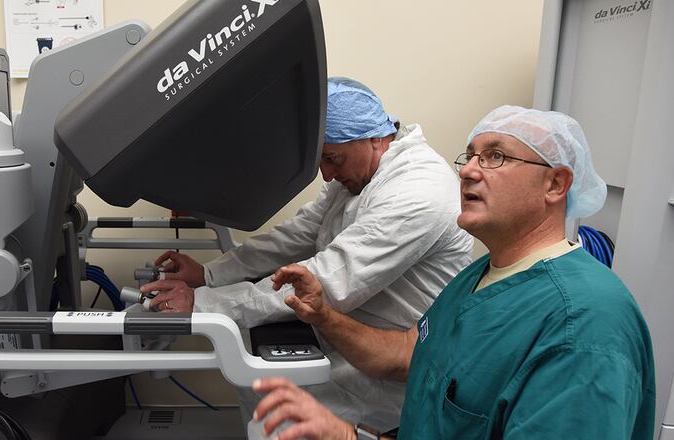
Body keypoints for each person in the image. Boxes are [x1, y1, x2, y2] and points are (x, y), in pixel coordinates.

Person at [252, 105, 655, 439]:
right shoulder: (479, 276)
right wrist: (323, 315)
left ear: (555, 184)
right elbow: (408, 355)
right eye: (471, 156)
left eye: (496, 156)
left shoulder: (584, 326)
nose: (467, 171)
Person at [140, 77, 473, 430]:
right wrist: (210, 275)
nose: (327, 175)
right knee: (262, 396)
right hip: (350, 347)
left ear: (373, 138)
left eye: (332, 159)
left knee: (277, 414)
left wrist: (203, 303)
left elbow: (325, 280)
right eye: (321, 161)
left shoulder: (416, 192)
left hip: (392, 381)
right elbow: (297, 234)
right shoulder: (364, 173)